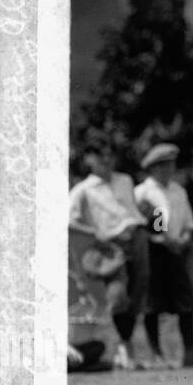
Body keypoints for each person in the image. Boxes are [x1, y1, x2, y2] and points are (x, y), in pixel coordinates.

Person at [68, 140, 150, 371]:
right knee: (118, 296)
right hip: (111, 245)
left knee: (138, 292)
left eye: (110, 155)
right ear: (89, 160)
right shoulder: (84, 189)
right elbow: (68, 220)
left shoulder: (125, 180)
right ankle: (115, 345)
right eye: (100, 156)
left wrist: (150, 227)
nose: (106, 161)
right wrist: (96, 234)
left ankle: (126, 346)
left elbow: (133, 210)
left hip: (137, 236)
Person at [134, 141, 193, 367]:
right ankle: (156, 353)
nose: (167, 170)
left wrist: (183, 239)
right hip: (154, 251)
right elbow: (141, 225)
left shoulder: (178, 191)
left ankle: (190, 352)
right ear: (152, 168)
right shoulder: (142, 192)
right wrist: (162, 239)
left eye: (170, 165)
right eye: (162, 166)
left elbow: (189, 222)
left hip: (177, 250)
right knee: (152, 302)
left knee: (185, 301)